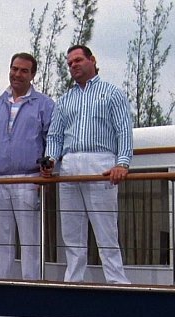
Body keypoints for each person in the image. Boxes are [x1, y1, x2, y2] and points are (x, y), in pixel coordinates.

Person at [44, 45, 133, 284]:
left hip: (100, 162)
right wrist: (50, 160)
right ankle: (74, 280)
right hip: (69, 164)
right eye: (70, 63)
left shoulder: (112, 93)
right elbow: (55, 136)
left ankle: (117, 281)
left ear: (92, 60)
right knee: (71, 229)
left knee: (105, 229)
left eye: (78, 60)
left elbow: (124, 131)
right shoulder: (64, 100)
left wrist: (122, 163)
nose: (73, 65)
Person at [0, 52, 55, 280]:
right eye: (14, 69)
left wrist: (45, 174)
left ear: (32, 75)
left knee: (30, 240)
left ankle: (32, 285)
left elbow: (52, 140)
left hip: (28, 179)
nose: (17, 74)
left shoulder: (44, 104)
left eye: (24, 70)